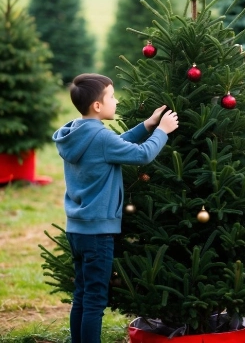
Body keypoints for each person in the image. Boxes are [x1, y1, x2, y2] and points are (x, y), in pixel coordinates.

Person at [52, 73, 179, 343]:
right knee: (95, 300)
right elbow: (142, 155)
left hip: (77, 229)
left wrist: (146, 125)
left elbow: (116, 144)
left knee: (82, 295)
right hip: (98, 232)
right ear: (97, 106)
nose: (116, 100)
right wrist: (162, 131)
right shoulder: (101, 139)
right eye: (111, 96)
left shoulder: (79, 132)